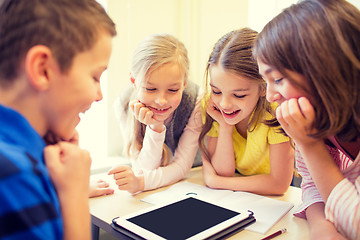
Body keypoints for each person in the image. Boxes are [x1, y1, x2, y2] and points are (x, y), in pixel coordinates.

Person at [0, 0, 116, 239]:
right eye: (95, 77)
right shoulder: (14, 175)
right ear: (43, 69)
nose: (99, 95)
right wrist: (74, 193)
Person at [253, 0, 360, 239]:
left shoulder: (308, 131)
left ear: (326, 70)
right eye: (265, 81)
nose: (270, 95)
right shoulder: (314, 119)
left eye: (278, 79)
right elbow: (312, 184)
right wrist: (323, 226)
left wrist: (309, 144)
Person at [198, 28, 294, 195]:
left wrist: (216, 182)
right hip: (238, 189)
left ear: (264, 87)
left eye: (239, 95)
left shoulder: (276, 111)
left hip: (270, 195)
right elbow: (223, 171)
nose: (224, 104)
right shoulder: (212, 106)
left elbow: (279, 184)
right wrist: (225, 126)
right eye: (217, 91)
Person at [109, 33, 202, 193]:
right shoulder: (123, 105)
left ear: (184, 83)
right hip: (158, 189)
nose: (161, 101)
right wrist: (155, 126)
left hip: (193, 178)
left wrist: (141, 183)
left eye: (173, 90)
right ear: (134, 81)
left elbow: (182, 166)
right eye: (151, 89)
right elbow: (142, 169)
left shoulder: (196, 100)